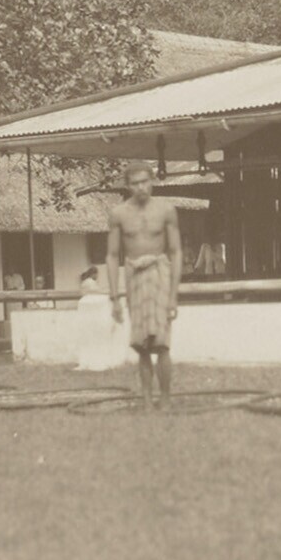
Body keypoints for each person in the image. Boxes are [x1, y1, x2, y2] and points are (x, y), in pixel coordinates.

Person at [107, 161, 182, 410]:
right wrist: (114, 298)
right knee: (142, 345)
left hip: (160, 275)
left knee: (162, 343)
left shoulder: (166, 210)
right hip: (135, 278)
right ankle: (147, 400)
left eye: (145, 182)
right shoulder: (118, 214)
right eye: (135, 183)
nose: (141, 187)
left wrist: (173, 296)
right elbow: (112, 255)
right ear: (127, 186)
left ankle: (166, 398)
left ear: (152, 181)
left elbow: (176, 251)